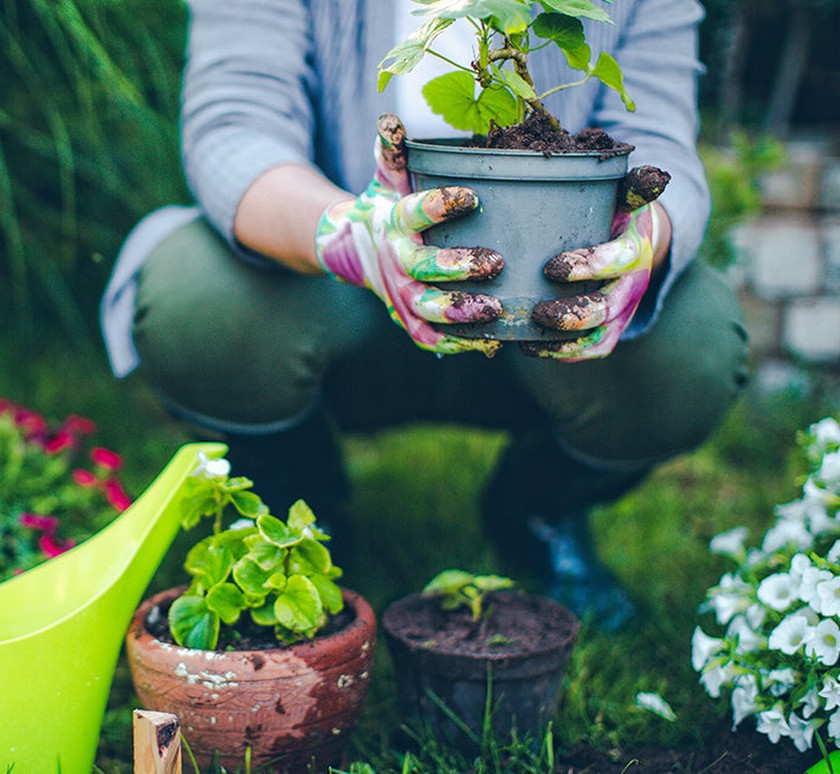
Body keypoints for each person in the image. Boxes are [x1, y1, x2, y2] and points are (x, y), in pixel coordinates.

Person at [99, 0, 749, 630]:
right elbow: (235, 128)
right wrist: (350, 237)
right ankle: (300, 498)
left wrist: (645, 240)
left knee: (691, 344)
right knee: (199, 297)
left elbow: (661, 139)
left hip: (544, 302)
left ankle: (539, 506)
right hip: (330, 292)